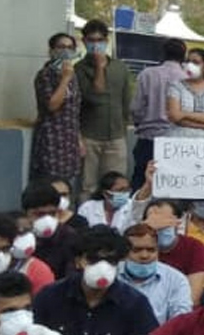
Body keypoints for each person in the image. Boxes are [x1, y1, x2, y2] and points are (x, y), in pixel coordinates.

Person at [31, 226, 158, 335]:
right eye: (94, 260)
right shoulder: (50, 296)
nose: (102, 267)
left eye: (111, 261)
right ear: (78, 261)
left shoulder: (135, 304)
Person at [74, 19, 132, 195]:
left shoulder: (120, 67)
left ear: (107, 41)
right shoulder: (79, 69)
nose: (96, 44)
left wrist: (123, 129)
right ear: (84, 41)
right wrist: (99, 67)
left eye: (100, 40)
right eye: (91, 40)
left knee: (116, 184)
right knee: (88, 185)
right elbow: (94, 96)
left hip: (116, 136)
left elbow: (126, 100)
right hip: (89, 136)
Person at [129, 37, 187, 187]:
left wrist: (139, 122)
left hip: (148, 137)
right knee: (170, 186)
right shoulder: (187, 79)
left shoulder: (147, 74)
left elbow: (136, 107)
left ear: (162, 54)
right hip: (175, 142)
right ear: (183, 56)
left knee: (141, 183)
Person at [30, 32, 83, 183]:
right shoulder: (45, 75)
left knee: (68, 185)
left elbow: (74, 109)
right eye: (61, 47)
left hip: (69, 139)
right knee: (50, 186)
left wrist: (79, 139)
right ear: (52, 51)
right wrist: (64, 79)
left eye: (70, 47)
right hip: (52, 139)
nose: (66, 51)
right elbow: (52, 105)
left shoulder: (73, 76)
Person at [116, 223, 192, 325]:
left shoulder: (176, 280)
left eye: (151, 250)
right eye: (136, 250)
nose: (144, 255)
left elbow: (180, 322)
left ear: (158, 251)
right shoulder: (112, 276)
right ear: (124, 252)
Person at [140, 198, 204, 302]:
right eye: (156, 225)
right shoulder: (139, 250)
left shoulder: (194, 247)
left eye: (166, 222)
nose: (161, 227)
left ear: (178, 222)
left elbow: (192, 298)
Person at [20, 180, 83, 280]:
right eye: (39, 214)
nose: (47, 219)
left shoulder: (69, 237)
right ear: (26, 213)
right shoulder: (17, 237)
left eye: (52, 214)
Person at [165, 47, 204, 140]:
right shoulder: (176, 86)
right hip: (176, 141)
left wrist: (184, 114)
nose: (190, 65)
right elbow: (174, 116)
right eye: (188, 61)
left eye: (195, 62)